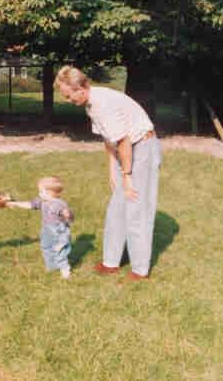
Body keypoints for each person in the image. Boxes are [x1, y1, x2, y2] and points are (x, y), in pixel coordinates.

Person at [55, 65, 162, 282]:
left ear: (81, 87)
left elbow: (123, 141)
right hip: (128, 148)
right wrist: (112, 171)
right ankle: (111, 262)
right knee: (116, 207)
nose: (68, 100)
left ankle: (140, 270)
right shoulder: (91, 105)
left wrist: (127, 176)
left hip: (142, 147)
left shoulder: (103, 103)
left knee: (136, 209)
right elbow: (108, 139)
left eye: (69, 96)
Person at [7, 176, 75, 279]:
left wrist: (68, 215)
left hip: (58, 230)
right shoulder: (42, 201)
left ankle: (65, 270)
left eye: (41, 191)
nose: (39, 193)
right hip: (47, 229)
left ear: (50, 192)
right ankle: (53, 266)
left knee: (59, 250)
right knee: (45, 247)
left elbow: (67, 215)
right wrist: (15, 203)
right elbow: (29, 204)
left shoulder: (58, 204)